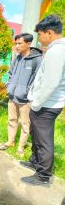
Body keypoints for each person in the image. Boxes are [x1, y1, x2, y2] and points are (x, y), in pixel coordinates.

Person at [20, 15, 65, 186]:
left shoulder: (57, 51)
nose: (39, 38)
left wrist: (36, 104)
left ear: (49, 32)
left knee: (44, 140)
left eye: (40, 34)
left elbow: (50, 83)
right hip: (45, 103)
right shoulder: (56, 49)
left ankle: (43, 176)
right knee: (37, 136)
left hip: (46, 104)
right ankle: (35, 161)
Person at [1, 33, 42, 156]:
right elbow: (11, 73)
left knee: (25, 124)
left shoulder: (37, 59)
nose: (17, 46)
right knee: (12, 120)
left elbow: (38, 79)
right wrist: (9, 86)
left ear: (28, 44)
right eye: (16, 43)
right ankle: (10, 141)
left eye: (20, 43)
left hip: (25, 99)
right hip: (13, 95)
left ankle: (20, 147)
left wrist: (28, 92)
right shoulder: (17, 58)